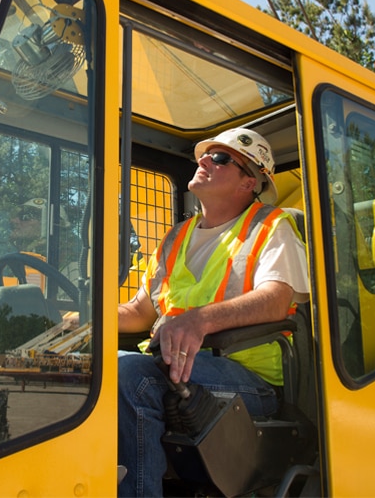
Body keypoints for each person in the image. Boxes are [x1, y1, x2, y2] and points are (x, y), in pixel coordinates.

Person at [118, 127, 310, 497]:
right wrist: (89, 317)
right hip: (177, 362)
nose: (204, 160)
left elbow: (275, 299)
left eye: (221, 158)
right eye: (204, 155)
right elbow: (142, 311)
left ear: (249, 182)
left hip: (250, 376)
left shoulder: (271, 227)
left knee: (133, 377)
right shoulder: (176, 237)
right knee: (92, 370)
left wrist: (200, 320)